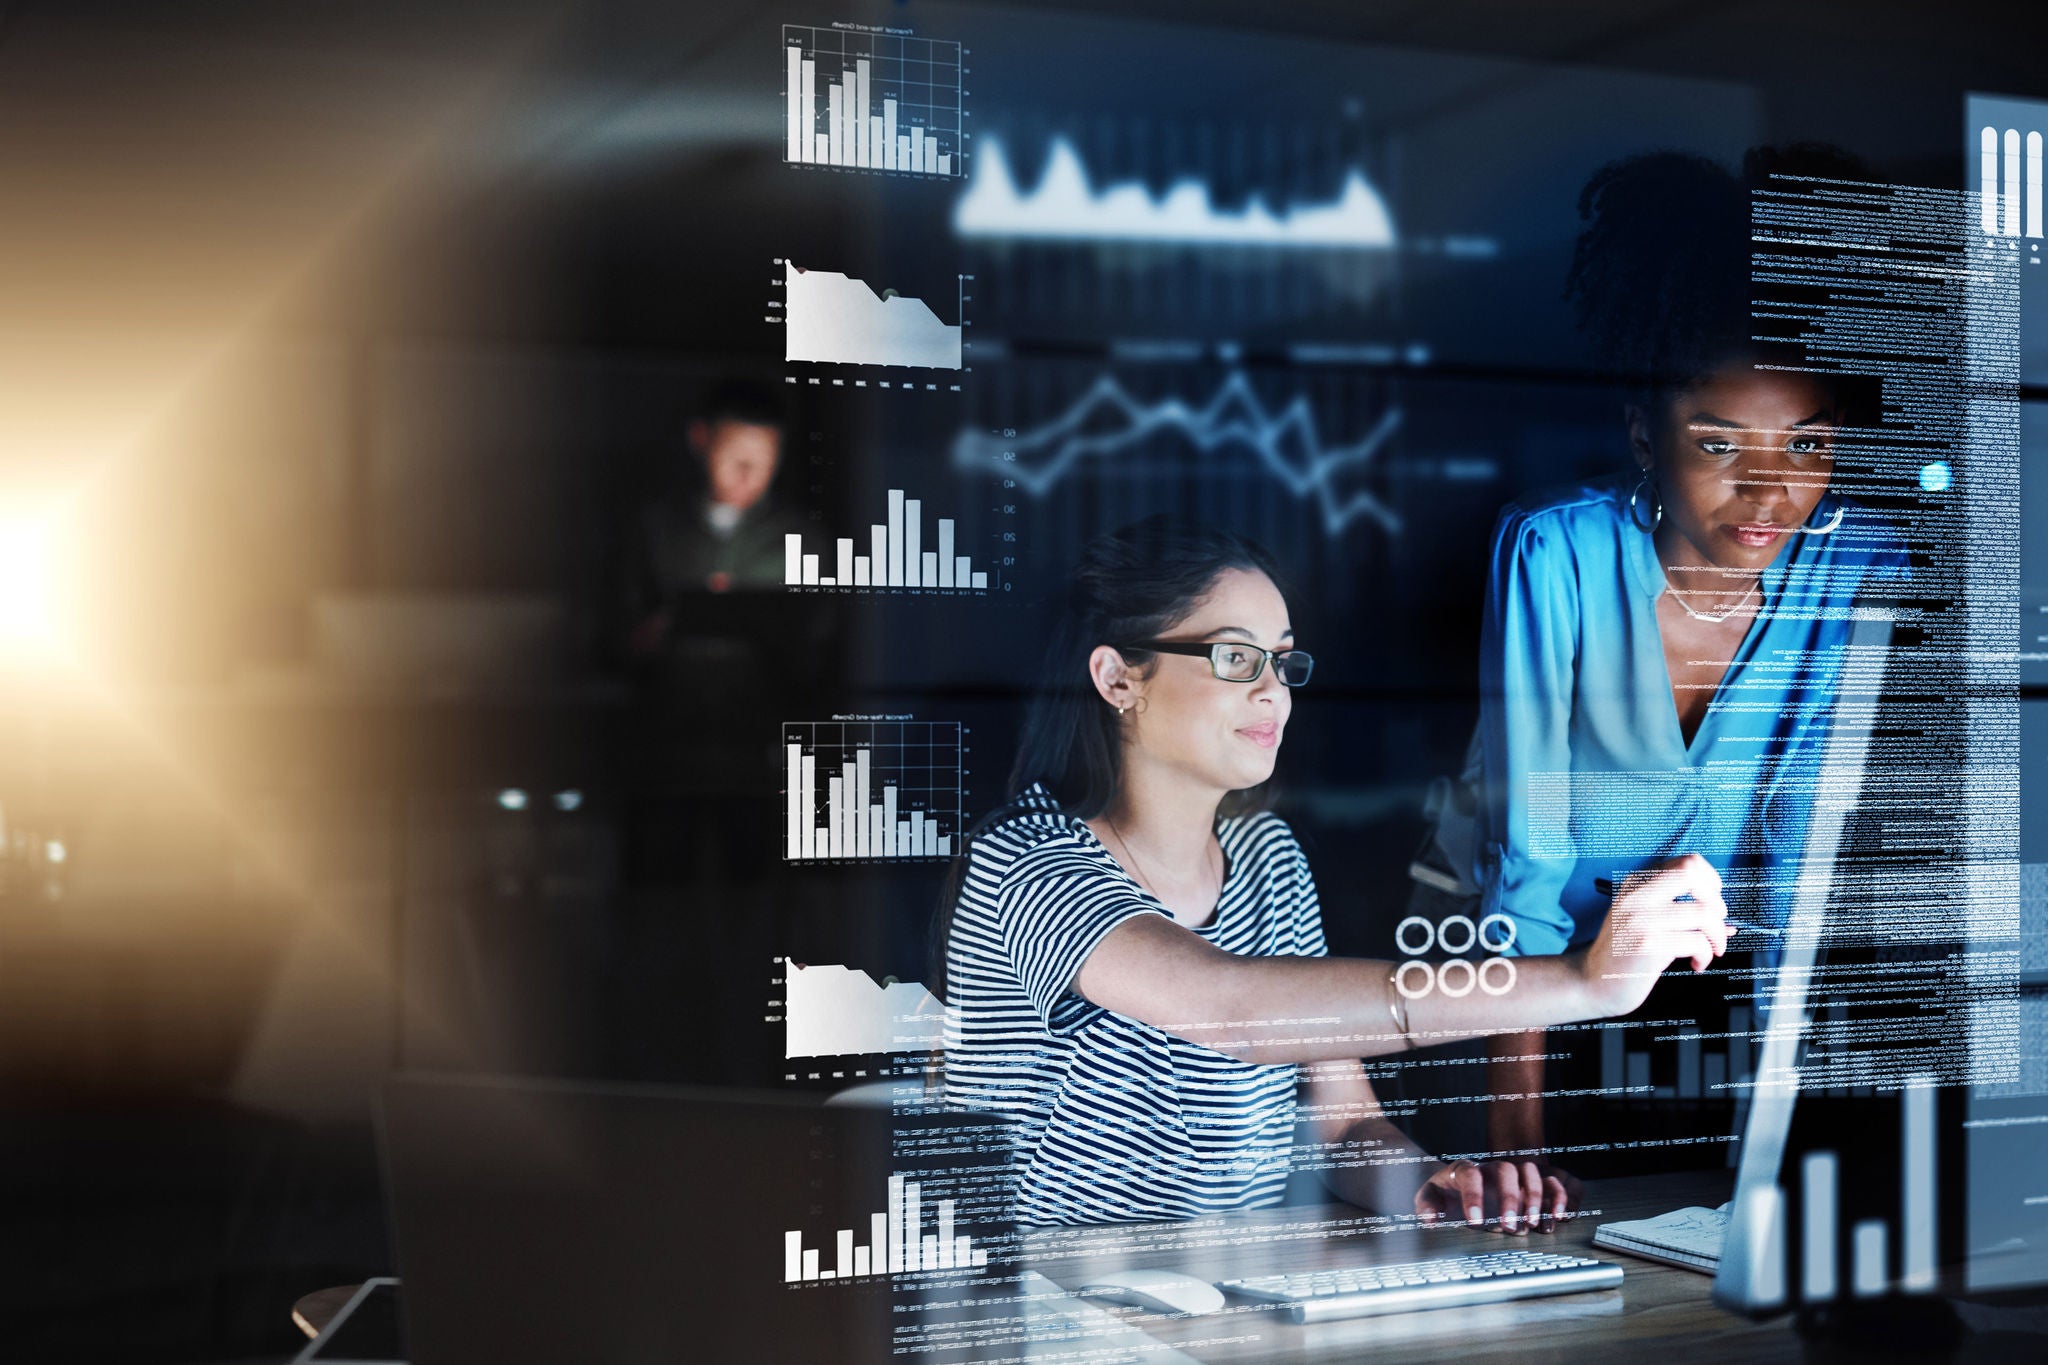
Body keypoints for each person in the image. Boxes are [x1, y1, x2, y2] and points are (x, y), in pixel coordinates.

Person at [939, 517, 1733, 1229]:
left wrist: (1428, 1182)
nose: (1271, 690)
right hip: (1045, 1308)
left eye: (1282, 662)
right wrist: (1582, 980)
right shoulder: (1028, 857)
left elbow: (1343, 1124)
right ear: (1117, 678)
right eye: (1234, 656)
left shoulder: (1268, 855)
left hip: (1225, 1307)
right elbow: (1235, 1009)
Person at [1467, 148, 1909, 1216]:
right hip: (1555, 1010)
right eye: (1718, 444)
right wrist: (1515, 1145)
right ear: (1640, 432)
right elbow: (1527, 863)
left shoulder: (1856, 565)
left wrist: (1775, 1137)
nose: (1767, 494)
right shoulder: (1553, 555)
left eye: (1804, 448)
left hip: (1750, 1027)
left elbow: (1802, 847)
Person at [624, 377, 809, 656]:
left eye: (763, 459)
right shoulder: (656, 530)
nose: (746, 475)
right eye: (734, 456)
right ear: (700, 438)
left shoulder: (802, 541)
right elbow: (618, 633)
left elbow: (819, 647)